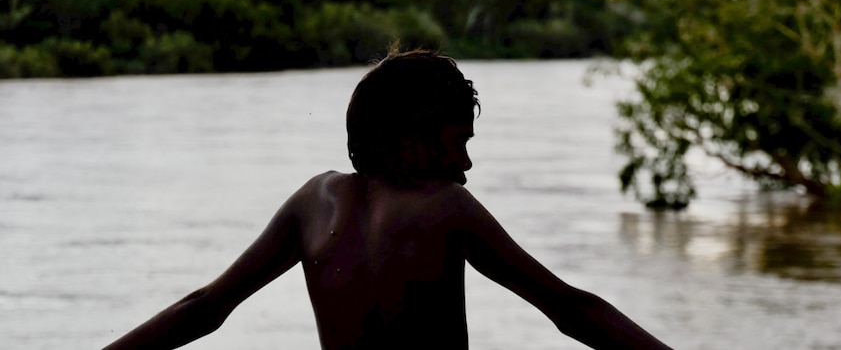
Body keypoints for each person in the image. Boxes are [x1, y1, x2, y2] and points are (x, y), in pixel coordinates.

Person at [104, 48, 673, 350]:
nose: (467, 164)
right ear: (412, 142)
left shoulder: (312, 201)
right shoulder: (445, 207)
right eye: (458, 145)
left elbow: (204, 309)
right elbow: (571, 310)